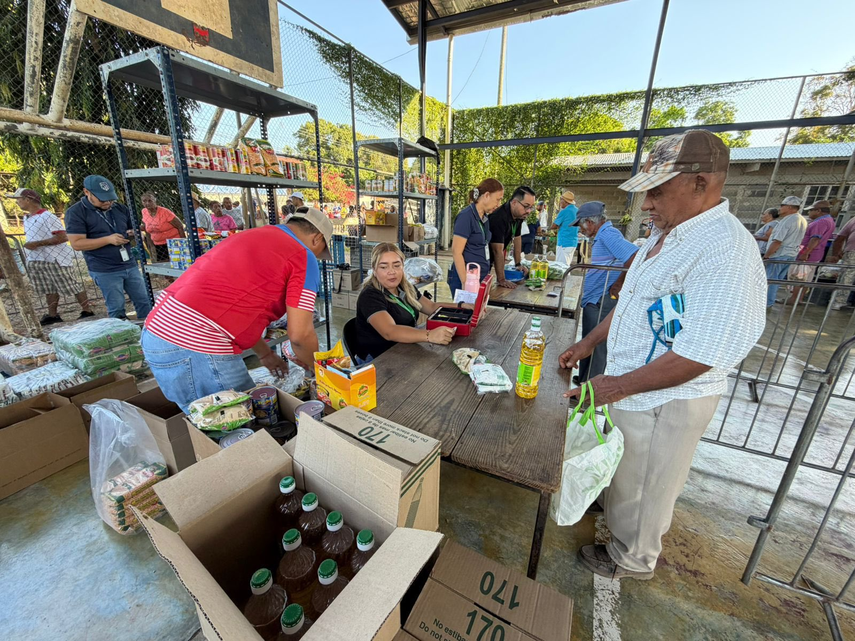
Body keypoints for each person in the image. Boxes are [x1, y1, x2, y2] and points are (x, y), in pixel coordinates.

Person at [558, 129, 766, 581]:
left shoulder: (724, 250)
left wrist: (615, 385)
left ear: (701, 183)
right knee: (627, 468)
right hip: (634, 388)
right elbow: (633, 302)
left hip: (666, 399)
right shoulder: (668, 235)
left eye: (657, 190)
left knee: (650, 485)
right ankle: (614, 512)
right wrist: (589, 342)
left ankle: (632, 559)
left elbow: (700, 354)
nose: (646, 204)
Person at [141, 207, 333, 412]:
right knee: (248, 425)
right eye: (320, 251)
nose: (317, 257)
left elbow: (235, 308)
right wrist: (319, 371)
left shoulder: (251, 236)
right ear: (317, 238)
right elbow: (300, 335)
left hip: (157, 334)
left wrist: (265, 354)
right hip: (198, 344)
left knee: (209, 427)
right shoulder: (303, 255)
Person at [353, 243, 467, 363]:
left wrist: (462, 306)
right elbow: (390, 331)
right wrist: (430, 335)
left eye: (396, 265)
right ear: (374, 270)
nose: (391, 272)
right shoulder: (370, 295)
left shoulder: (405, 287)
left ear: (403, 266)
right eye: (384, 267)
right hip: (377, 359)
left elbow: (432, 307)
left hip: (402, 349)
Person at [65, 175, 152, 320]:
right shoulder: (75, 212)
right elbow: (77, 243)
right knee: (116, 306)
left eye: (110, 198)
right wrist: (107, 240)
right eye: (102, 199)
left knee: (144, 300)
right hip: (104, 268)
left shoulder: (120, 208)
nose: (108, 202)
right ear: (87, 192)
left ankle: (149, 333)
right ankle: (121, 337)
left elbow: (136, 231)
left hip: (129, 263)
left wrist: (135, 234)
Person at [571, 201, 638, 385]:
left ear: (590, 222)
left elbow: (634, 256)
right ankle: (584, 379)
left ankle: (589, 388)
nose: (581, 230)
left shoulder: (608, 234)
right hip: (595, 297)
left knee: (596, 342)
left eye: (580, 225)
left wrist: (618, 285)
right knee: (588, 338)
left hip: (603, 297)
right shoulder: (602, 235)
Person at [8, 187, 93, 325]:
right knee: (48, 288)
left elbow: (62, 236)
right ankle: (52, 314)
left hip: (54, 258)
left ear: (28, 200)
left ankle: (87, 309)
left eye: (19, 199)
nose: (17, 203)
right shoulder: (27, 218)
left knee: (71, 284)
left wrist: (38, 243)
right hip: (38, 258)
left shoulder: (47, 216)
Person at [448, 178, 504, 296]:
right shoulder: (466, 217)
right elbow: (456, 251)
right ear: (487, 195)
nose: (498, 205)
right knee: (466, 312)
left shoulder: (484, 217)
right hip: (467, 279)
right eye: (497, 200)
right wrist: (465, 282)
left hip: (479, 277)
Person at [787, 200, 836, 305]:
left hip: (809, 255)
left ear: (818, 211)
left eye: (811, 211)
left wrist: (805, 252)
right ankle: (798, 299)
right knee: (806, 277)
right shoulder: (828, 220)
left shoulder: (821, 222)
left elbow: (815, 239)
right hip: (815, 254)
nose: (809, 213)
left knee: (799, 276)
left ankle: (794, 299)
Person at [762, 196, 807, 308]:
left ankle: (767, 303)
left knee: (771, 280)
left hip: (779, 254)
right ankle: (769, 302)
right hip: (790, 254)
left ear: (790, 207)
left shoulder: (788, 220)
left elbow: (777, 241)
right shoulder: (801, 219)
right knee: (776, 280)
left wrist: (767, 256)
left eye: (782, 206)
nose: (780, 208)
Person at [488, 186, 535, 288]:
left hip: (489, 260)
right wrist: (501, 279)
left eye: (531, 207)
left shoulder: (519, 215)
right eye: (526, 206)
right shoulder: (499, 218)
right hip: (478, 261)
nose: (529, 211)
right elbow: (497, 251)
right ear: (514, 202)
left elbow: (517, 238)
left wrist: (518, 264)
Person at [139, 192, 185, 263]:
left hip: (173, 242)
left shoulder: (165, 212)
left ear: (155, 200)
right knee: (163, 265)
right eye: (144, 201)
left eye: (150, 200)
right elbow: (146, 226)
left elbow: (180, 225)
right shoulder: (144, 211)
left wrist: (183, 243)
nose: (147, 203)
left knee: (176, 264)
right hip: (158, 244)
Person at [828, 214, 855, 310]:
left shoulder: (853, 220)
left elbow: (839, 238)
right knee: (847, 276)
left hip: (850, 251)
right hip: (852, 252)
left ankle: (837, 301)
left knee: (846, 276)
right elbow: (839, 238)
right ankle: (837, 301)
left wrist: (836, 254)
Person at [551, 190, 579, 265]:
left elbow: (553, 226)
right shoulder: (577, 211)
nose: (560, 202)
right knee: (566, 265)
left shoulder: (564, 211)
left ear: (566, 202)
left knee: (560, 267)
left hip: (563, 243)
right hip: (573, 243)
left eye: (561, 200)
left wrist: (556, 228)